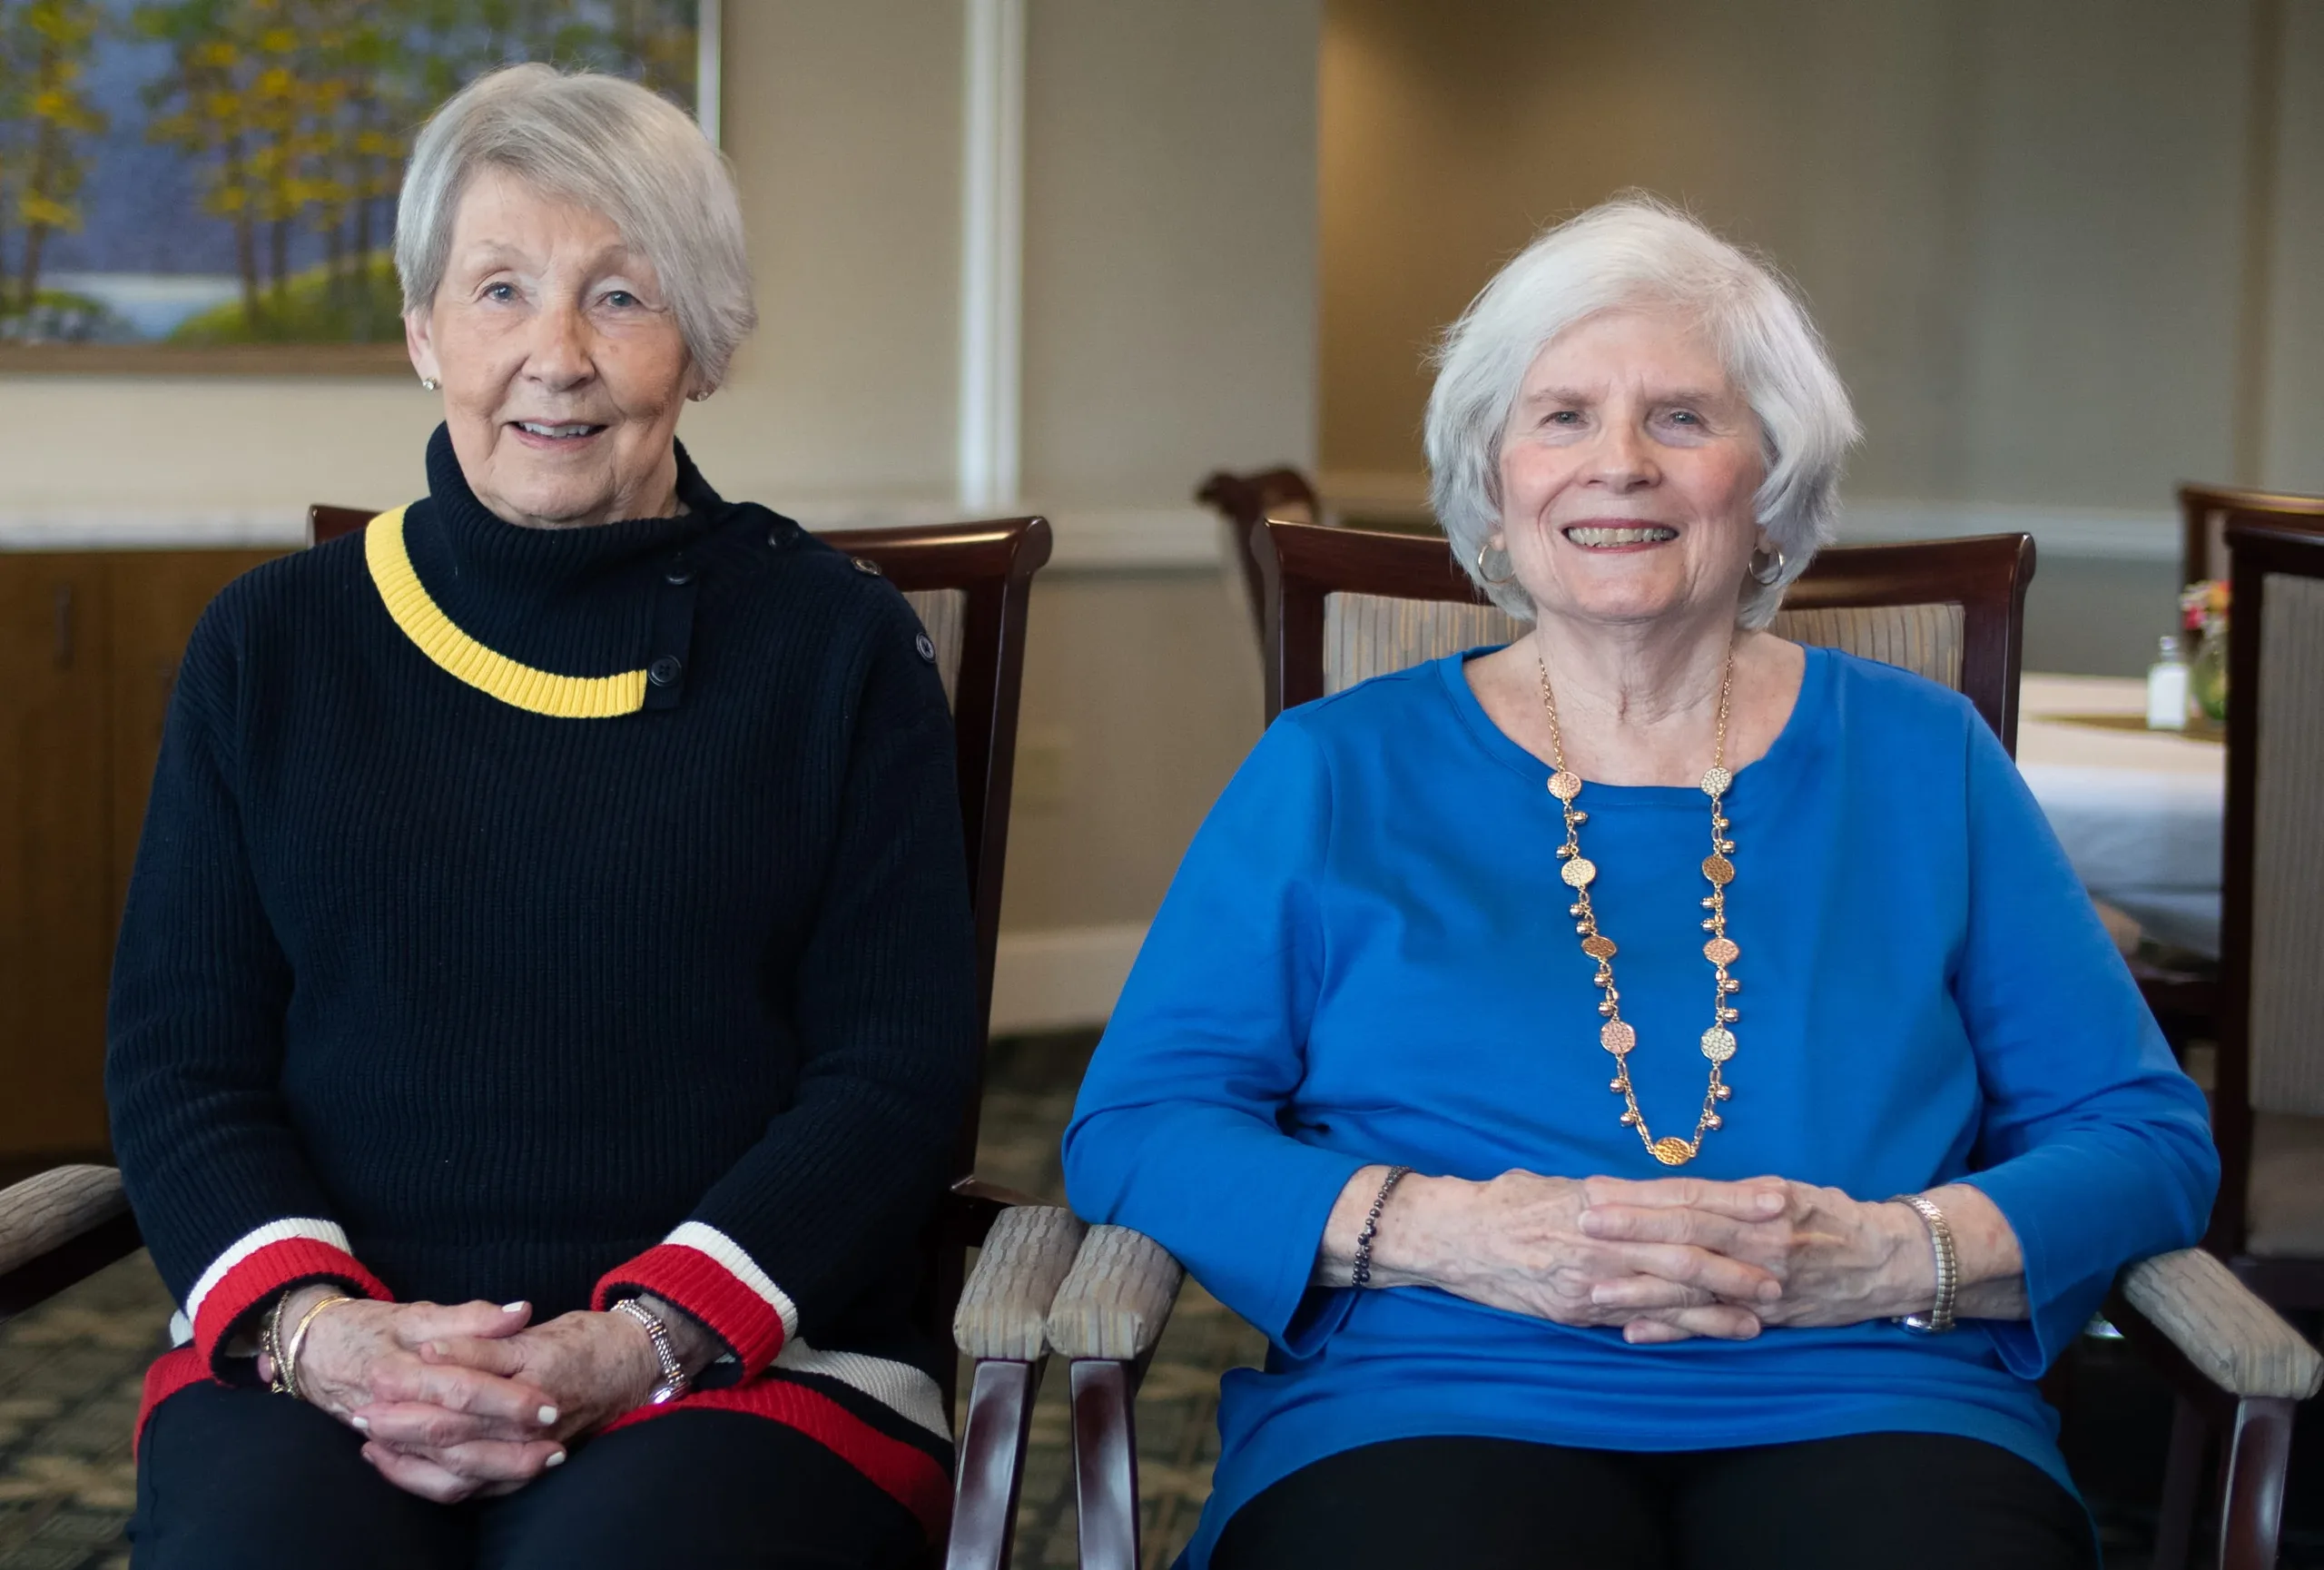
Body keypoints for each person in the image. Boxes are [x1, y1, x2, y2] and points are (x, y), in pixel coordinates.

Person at [1062, 197, 2217, 1570]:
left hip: (1870, 1387)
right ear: (1493, 485)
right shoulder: (1330, 770)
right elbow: (1138, 1125)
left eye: (1682, 417)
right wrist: (1454, 1232)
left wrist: (1888, 1253)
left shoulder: (1923, 760)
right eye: (1561, 418)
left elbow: (2145, 1139)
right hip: (1427, 1394)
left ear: (1771, 483)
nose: (1619, 466)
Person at [106, 64, 978, 1570]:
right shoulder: (270, 646)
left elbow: (892, 1075)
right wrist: (330, 1338)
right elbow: (183, 1058)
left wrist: (636, 1344)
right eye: (498, 290)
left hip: (746, 1360)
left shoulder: (839, 650)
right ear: (421, 332)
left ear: (701, 345)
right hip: (327, 1352)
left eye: (623, 298)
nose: (554, 358)